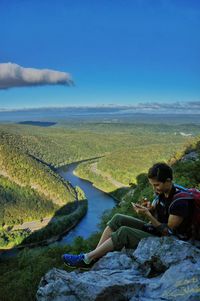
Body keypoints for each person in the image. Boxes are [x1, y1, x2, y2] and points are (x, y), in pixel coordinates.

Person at [62, 162, 194, 269]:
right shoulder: (163, 192)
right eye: (152, 185)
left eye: (157, 185)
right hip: (156, 230)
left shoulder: (179, 202)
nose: (154, 189)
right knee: (118, 218)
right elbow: (159, 211)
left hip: (171, 241)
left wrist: (148, 215)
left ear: (168, 181)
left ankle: (87, 258)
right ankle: (94, 257)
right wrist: (149, 209)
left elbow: (168, 232)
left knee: (124, 232)